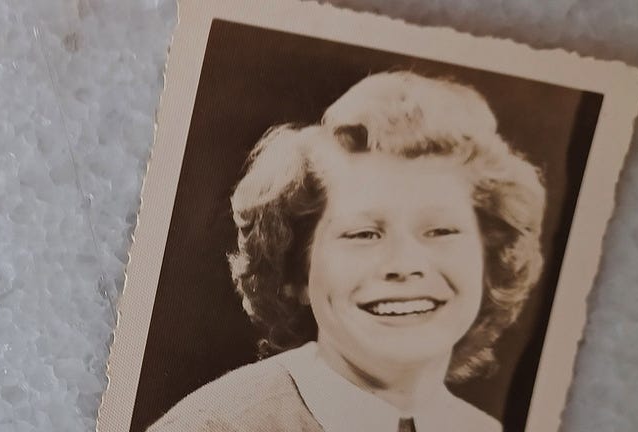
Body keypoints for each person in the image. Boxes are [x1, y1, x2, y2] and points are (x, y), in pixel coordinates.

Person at [149, 71, 547, 432]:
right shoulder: (217, 425)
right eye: (363, 234)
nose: (405, 265)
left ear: (490, 261)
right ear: (296, 273)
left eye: (441, 231)